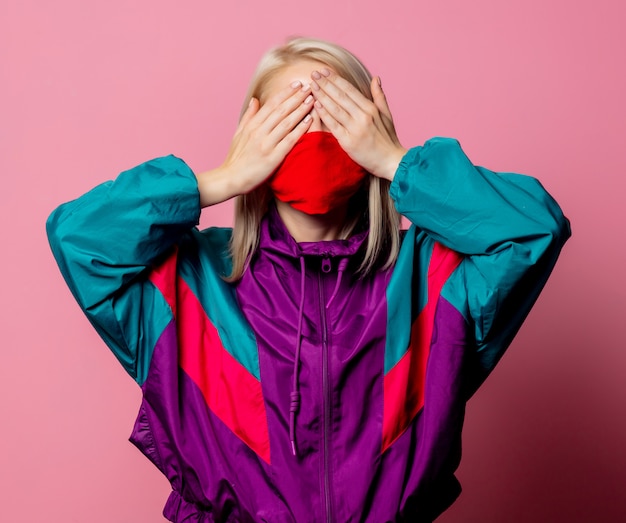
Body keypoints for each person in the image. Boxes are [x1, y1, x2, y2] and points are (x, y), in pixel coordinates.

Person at [46, 37, 570, 522]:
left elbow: (533, 229)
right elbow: (79, 238)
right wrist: (220, 180)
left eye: (337, 110)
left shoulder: (433, 277)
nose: (315, 130)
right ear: (254, 135)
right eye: (291, 113)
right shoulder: (186, 281)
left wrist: (397, 162)